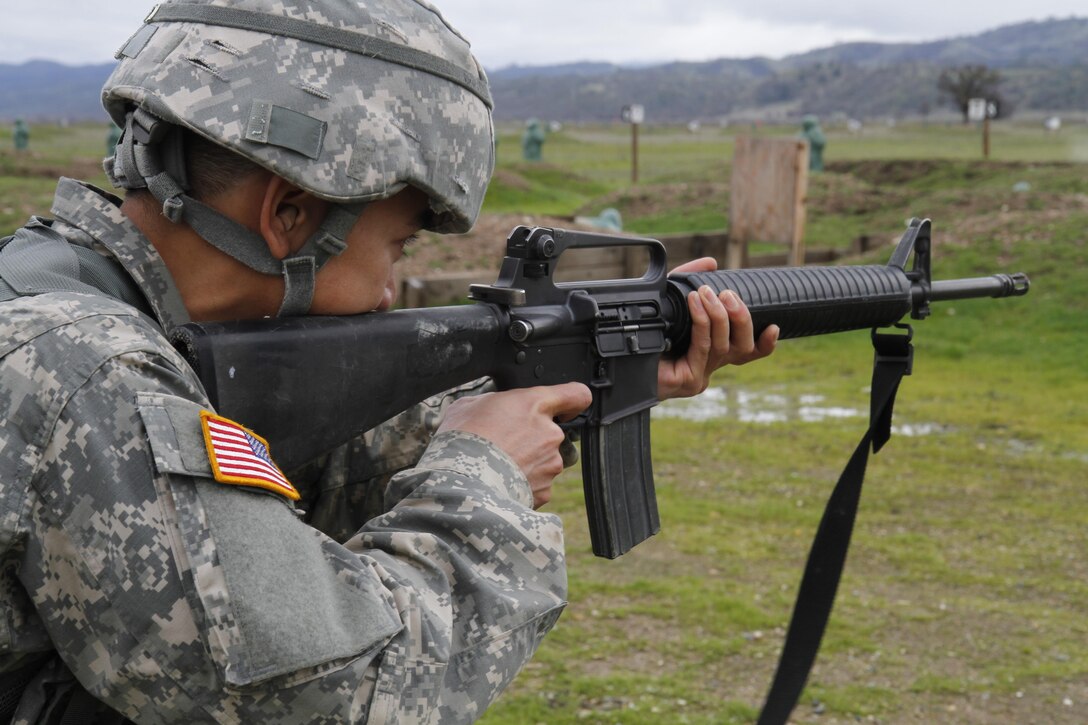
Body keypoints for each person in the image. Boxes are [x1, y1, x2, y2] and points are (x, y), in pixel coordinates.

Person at [0, 1, 778, 722]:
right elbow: (345, 688)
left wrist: (593, 366)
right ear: (290, 215)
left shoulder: (66, 297)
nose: (389, 290)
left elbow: (278, 474)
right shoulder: (84, 373)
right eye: (397, 245)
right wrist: (484, 474)